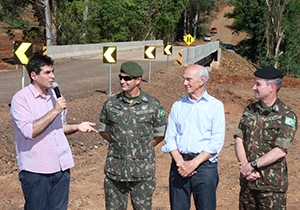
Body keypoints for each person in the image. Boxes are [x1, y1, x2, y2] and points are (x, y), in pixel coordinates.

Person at [10, 55, 98, 210]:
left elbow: (59, 128)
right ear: (34, 76)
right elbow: (29, 131)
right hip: (36, 171)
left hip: (61, 168)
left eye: (53, 71)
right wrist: (55, 110)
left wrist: (77, 126)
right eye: (47, 72)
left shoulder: (55, 96)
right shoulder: (21, 99)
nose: (53, 76)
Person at [97, 61, 167, 210]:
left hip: (142, 172)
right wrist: (119, 143)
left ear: (138, 80)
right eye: (120, 77)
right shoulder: (111, 104)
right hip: (115, 171)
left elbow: (160, 133)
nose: (122, 81)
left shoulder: (153, 104)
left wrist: (142, 147)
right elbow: (103, 129)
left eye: (127, 78)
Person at [161, 64, 225, 210]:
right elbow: (170, 136)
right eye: (184, 79)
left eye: (189, 79)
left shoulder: (215, 106)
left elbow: (216, 142)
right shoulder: (178, 105)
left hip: (204, 168)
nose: (185, 83)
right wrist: (180, 163)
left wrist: (193, 164)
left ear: (202, 80)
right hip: (179, 166)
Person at [234, 67, 297, 209]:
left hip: (270, 188)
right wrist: (244, 166)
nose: (253, 87)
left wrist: (252, 166)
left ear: (271, 87)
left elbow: (280, 150)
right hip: (247, 184)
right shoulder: (250, 110)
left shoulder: (286, 115)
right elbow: (239, 138)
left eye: (258, 84)